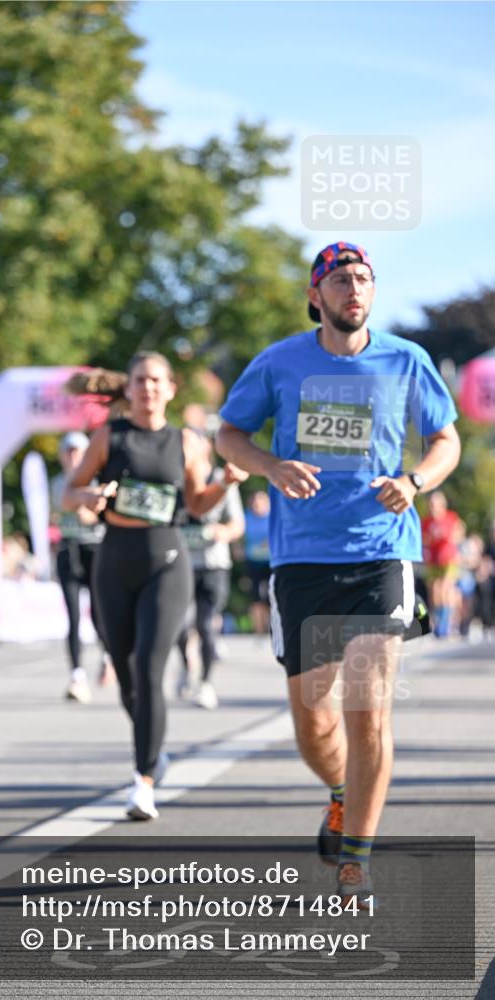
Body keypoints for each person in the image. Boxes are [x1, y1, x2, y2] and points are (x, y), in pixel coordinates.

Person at [216, 242, 460, 906]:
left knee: (368, 714)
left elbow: (445, 439)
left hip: (381, 551)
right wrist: (269, 466)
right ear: (315, 293)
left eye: (364, 278)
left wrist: (413, 482)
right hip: (301, 559)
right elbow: (228, 434)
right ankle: (338, 793)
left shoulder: (404, 361)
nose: (354, 288)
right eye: (340, 279)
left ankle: (356, 862)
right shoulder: (278, 362)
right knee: (312, 720)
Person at [63, 352, 247, 820]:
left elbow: (198, 503)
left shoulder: (186, 441)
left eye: (156, 381)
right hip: (114, 560)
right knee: (126, 677)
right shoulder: (111, 436)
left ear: (170, 388)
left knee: (149, 667)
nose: (147, 388)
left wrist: (225, 482)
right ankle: (155, 748)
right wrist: (88, 496)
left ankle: (142, 780)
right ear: (130, 387)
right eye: (140, 380)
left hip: (167, 562)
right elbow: (70, 493)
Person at [176, 428, 245, 709]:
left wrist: (221, 532)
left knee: (205, 624)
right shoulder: (175, 480)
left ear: (205, 448)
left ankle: (205, 683)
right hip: (180, 565)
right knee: (179, 627)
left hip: (213, 565)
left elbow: (237, 525)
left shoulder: (222, 480)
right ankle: (185, 665)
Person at [50, 431, 112, 703]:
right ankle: (77, 676)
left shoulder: (98, 482)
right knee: (73, 617)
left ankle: (109, 657)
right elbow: (53, 517)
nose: (74, 456)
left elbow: (104, 518)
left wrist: (88, 512)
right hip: (68, 550)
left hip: (95, 550)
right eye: (69, 451)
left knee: (100, 615)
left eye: (79, 451)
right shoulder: (57, 485)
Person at [421, 490, 461, 637]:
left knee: (445, 589)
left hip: (448, 559)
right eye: (430, 505)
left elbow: (458, 533)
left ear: (442, 505)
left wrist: (450, 537)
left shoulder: (450, 518)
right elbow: (424, 539)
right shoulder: (426, 521)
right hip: (433, 560)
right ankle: (439, 620)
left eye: (435, 504)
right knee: (434, 591)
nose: (433, 508)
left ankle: (446, 624)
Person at [243, 490, 272, 635]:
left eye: (259, 501)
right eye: (254, 501)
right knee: (256, 597)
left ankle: (270, 627)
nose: (256, 504)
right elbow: (239, 534)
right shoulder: (246, 517)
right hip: (253, 562)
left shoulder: (273, 517)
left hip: (271, 563)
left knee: (271, 596)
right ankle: (259, 630)